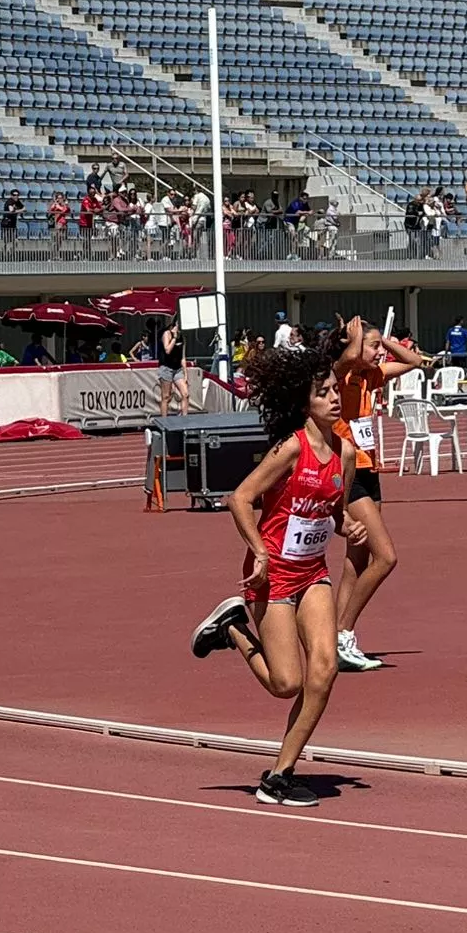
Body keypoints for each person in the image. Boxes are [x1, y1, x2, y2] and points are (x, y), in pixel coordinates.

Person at [189, 341, 369, 808]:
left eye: (335, 390)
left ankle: (279, 776)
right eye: (323, 392)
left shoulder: (346, 455)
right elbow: (240, 498)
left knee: (325, 670)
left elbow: (334, 512)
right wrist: (259, 553)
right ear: (304, 402)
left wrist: (348, 525)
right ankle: (233, 629)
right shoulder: (291, 448)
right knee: (286, 684)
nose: (334, 398)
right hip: (271, 577)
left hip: (312, 573)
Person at [332, 319, 430, 674]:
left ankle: (333, 639)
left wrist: (384, 340)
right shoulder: (342, 375)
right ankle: (343, 633)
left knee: (356, 560)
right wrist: (356, 338)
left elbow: (414, 361)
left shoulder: (372, 376)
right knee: (386, 557)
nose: (378, 353)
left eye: (379, 347)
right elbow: (346, 358)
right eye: (372, 347)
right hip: (349, 472)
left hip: (369, 469)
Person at [151, 318, 188, 414]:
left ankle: (186, 418)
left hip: (178, 369)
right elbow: (167, 350)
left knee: (185, 394)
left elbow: (183, 357)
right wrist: (174, 338)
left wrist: (185, 374)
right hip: (166, 368)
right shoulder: (167, 334)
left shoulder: (182, 337)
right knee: (166, 396)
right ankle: (164, 419)